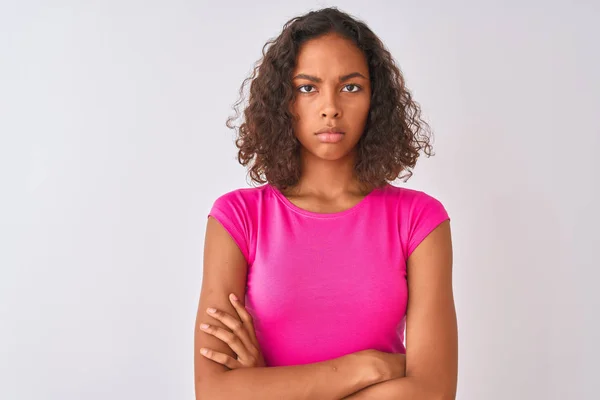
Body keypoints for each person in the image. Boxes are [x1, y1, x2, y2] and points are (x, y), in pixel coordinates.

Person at [194, 7, 458, 400]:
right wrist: (367, 367)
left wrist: (266, 386)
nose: (330, 107)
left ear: (375, 99)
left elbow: (432, 393)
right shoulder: (238, 218)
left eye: (350, 87)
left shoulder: (419, 220)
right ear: (283, 101)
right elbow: (214, 393)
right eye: (307, 87)